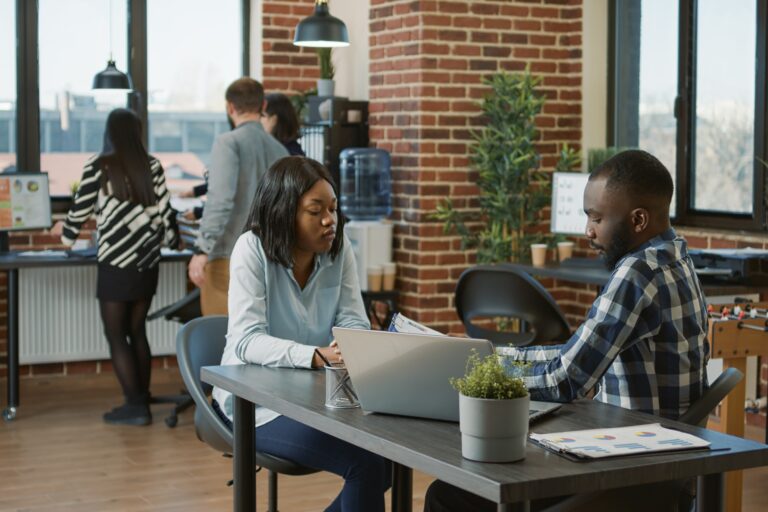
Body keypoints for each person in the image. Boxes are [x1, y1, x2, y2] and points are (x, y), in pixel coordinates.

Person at [424, 150, 710, 512]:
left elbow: (566, 378)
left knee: (448, 495)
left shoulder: (638, 273)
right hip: (661, 463)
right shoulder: (677, 256)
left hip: (629, 472)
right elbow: (572, 359)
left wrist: (480, 365)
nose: (588, 231)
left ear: (638, 220)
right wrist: (486, 353)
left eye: (597, 218)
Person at [211, 156, 391, 511]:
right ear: (284, 212)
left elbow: (354, 320)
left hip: (314, 397)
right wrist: (314, 355)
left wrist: (349, 345)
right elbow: (247, 341)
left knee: (388, 460)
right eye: (316, 210)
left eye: (334, 209)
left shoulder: (339, 250)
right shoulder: (252, 249)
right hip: (255, 405)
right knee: (367, 464)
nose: (330, 221)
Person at [51, 108, 179, 426]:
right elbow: (167, 216)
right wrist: (172, 241)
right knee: (137, 331)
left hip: (116, 264)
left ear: (109, 133)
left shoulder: (100, 165)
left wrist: (66, 237)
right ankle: (141, 397)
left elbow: (79, 211)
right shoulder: (152, 166)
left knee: (114, 333)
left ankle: (135, 406)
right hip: (147, 263)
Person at [188, 77, 288, 315]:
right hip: (270, 259)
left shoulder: (228, 143)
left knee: (221, 341)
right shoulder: (280, 150)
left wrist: (202, 250)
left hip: (228, 257)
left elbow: (220, 201)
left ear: (229, 107)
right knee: (259, 339)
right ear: (263, 106)